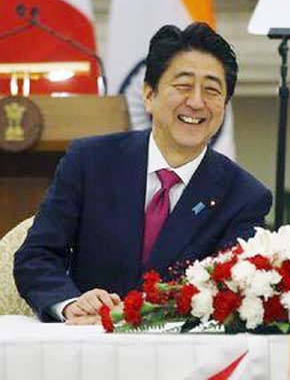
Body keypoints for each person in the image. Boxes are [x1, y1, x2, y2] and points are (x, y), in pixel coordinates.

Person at [14, 23, 272, 324]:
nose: (197, 102)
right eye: (183, 86)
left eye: (212, 91)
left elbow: (232, 290)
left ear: (224, 107)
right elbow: (37, 256)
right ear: (149, 95)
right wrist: (70, 303)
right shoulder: (89, 161)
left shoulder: (245, 197)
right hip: (86, 346)